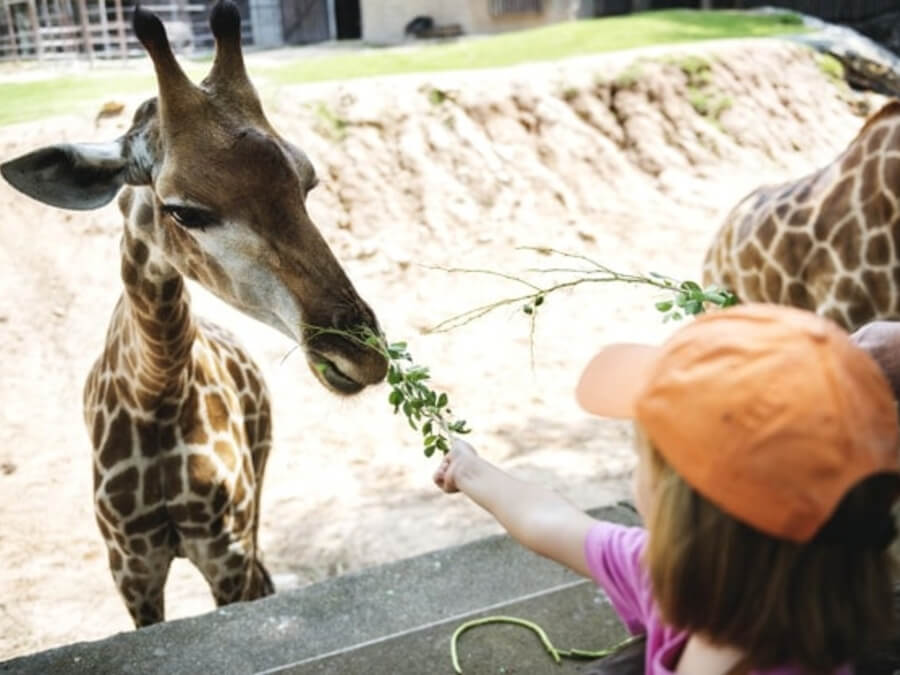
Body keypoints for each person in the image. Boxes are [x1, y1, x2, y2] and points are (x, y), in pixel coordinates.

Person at [434, 303, 900, 674]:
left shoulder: (663, 580)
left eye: (645, 462)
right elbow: (546, 520)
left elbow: (550, 521)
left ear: (685, 509)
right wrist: (471, 472)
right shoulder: (675, 575)